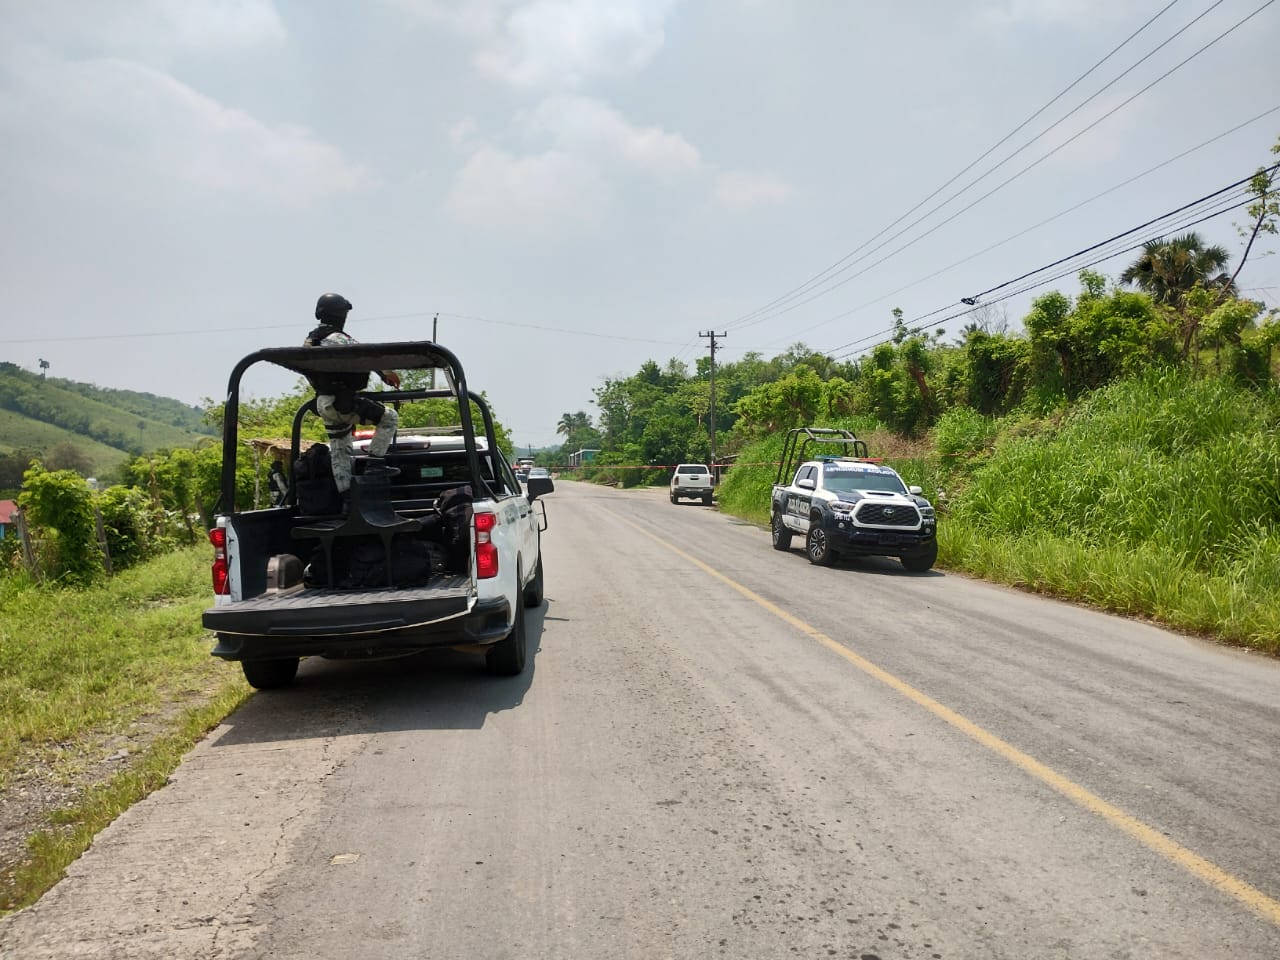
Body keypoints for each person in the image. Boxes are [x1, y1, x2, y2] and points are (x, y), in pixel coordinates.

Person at [303, 293, 401, 498]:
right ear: (340, 314)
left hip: (323, 404)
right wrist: (385, 372)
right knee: (389, 418)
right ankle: (375, 464)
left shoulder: (311, 340)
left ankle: (347, 500)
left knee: (340, 449)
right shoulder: (335, 338)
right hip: (342, 402)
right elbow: (363, 354)